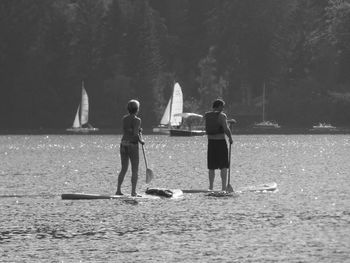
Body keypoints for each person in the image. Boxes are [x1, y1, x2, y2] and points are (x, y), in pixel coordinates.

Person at [204, 99, 235, 191]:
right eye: (222, 106)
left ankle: (211, 187)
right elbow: (225, 128)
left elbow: (217, 122)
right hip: (220, 143)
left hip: (211, 143)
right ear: (219, 106)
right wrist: (230, 138)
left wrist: (228, 121)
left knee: (211, 167)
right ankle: (223, 187)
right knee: (223, 166)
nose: (223, 108)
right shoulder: (222, 116)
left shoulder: (207, 115)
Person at [116, 99, 145, 197]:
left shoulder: (124, 118)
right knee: (135, 170)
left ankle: (118, 190)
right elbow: (135, 134)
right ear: (137, 109)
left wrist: (136, 129)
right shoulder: (137, 120)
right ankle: (133, 192)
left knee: (123, 169)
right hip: (132, 145)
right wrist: (141, 141)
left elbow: (128, 130)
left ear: (128, 109)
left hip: (123, 144)